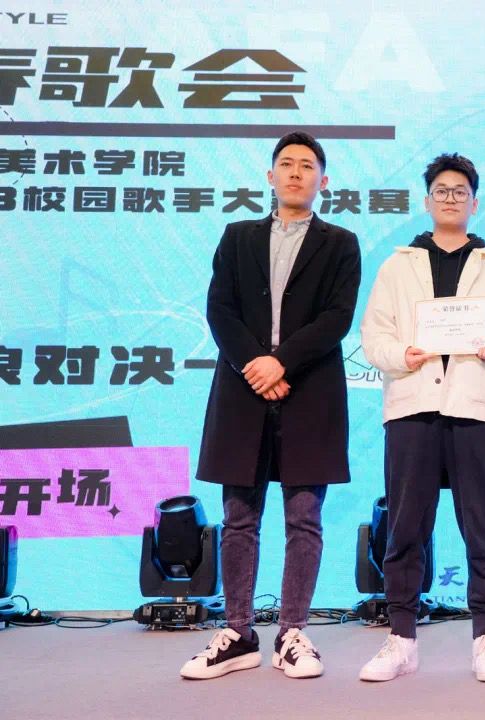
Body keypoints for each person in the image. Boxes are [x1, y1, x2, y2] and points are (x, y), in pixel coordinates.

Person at [181, 131, 361, 680]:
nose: (296, 172)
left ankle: (293, 633)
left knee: (304, 517)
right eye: (286, 164)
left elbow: (337, 318)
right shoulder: (237, 236)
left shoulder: (341, 243)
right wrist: (255, 366)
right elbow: (220, 309)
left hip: (310, 390)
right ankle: (238, 633)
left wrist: (281, 364)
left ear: (323, 181)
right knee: (240, 517)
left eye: (307, 165)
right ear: (270, 176)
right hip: (243, 390)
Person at [358, 153, 485, 683]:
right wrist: (401, 355)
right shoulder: (398, 265)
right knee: (405, 525)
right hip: (413, 405)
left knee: (483, 525)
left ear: (474, 203)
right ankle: (401, 639)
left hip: (477, 407)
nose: (450, 198)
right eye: (442, 190)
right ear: (427, 200)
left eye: (460, 191)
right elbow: (374, 336)